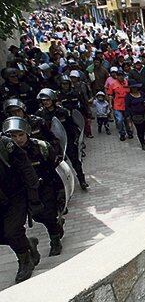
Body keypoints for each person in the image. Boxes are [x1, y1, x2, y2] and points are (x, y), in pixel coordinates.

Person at [3, 117, 64, 256]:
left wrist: (61, 191)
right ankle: (55, 226)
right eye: (13, 136)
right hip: (26, 191)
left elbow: (57, 168)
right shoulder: (8, 154)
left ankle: (55, 240)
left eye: (21, 135)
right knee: (38, 216)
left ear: (27, 133)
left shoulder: (41, 147)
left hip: (46, 186)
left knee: (47, 214)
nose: (18, 139)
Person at [0, 132, 41, 283]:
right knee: (3, 234)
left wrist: (34, 198)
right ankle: (28, 243)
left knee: (12, 231)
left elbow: (27, 169)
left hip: (15, 196)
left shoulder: (5, 145)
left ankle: (25, 261)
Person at [35, 88, 89, 190]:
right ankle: (62, 187)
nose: (45, 102)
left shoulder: (62, 111)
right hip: (52, 144)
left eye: (47, 99)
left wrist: (77, 138)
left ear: (53, 99)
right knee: (56, 165)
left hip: (67, 141)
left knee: (75, 161)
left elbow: (72, 126)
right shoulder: (40, 115)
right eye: (43, 100)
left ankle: (82, 180)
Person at [106, 68, 131, 140]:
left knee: (127, 120)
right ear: (117, 76)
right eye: (119, 75)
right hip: (117, 105)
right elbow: (110, 95)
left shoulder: (127, 82)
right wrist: (110, 104)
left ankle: (129, 132)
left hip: (126, 105)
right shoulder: (113, 84)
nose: (121, 77)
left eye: (122, 75)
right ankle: (122, 133)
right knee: (119, 120)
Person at [125, 81, 145, 150]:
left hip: (144, 114)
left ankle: (142, 138)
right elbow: (127, 107)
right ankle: (142, 143)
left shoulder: (142, 94)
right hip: (135, 116)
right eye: (133, 87)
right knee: (139, 129)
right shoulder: (128, 96)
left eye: (135, 87)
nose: (134, 89)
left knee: (143, 129)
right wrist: (128, 118)